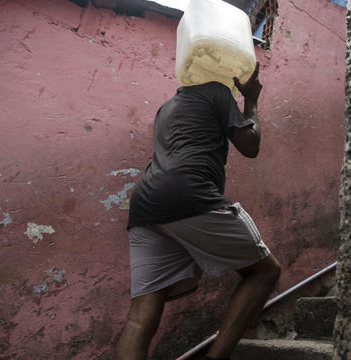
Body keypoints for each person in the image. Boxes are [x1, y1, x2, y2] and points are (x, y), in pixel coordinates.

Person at [114, 62, 282, 360]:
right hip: (188, 194)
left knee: (140, 315)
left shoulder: (165, 108)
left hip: (145, 206)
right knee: (265, 271)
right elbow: (250, 145)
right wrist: (252, 99)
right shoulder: (216, 91)